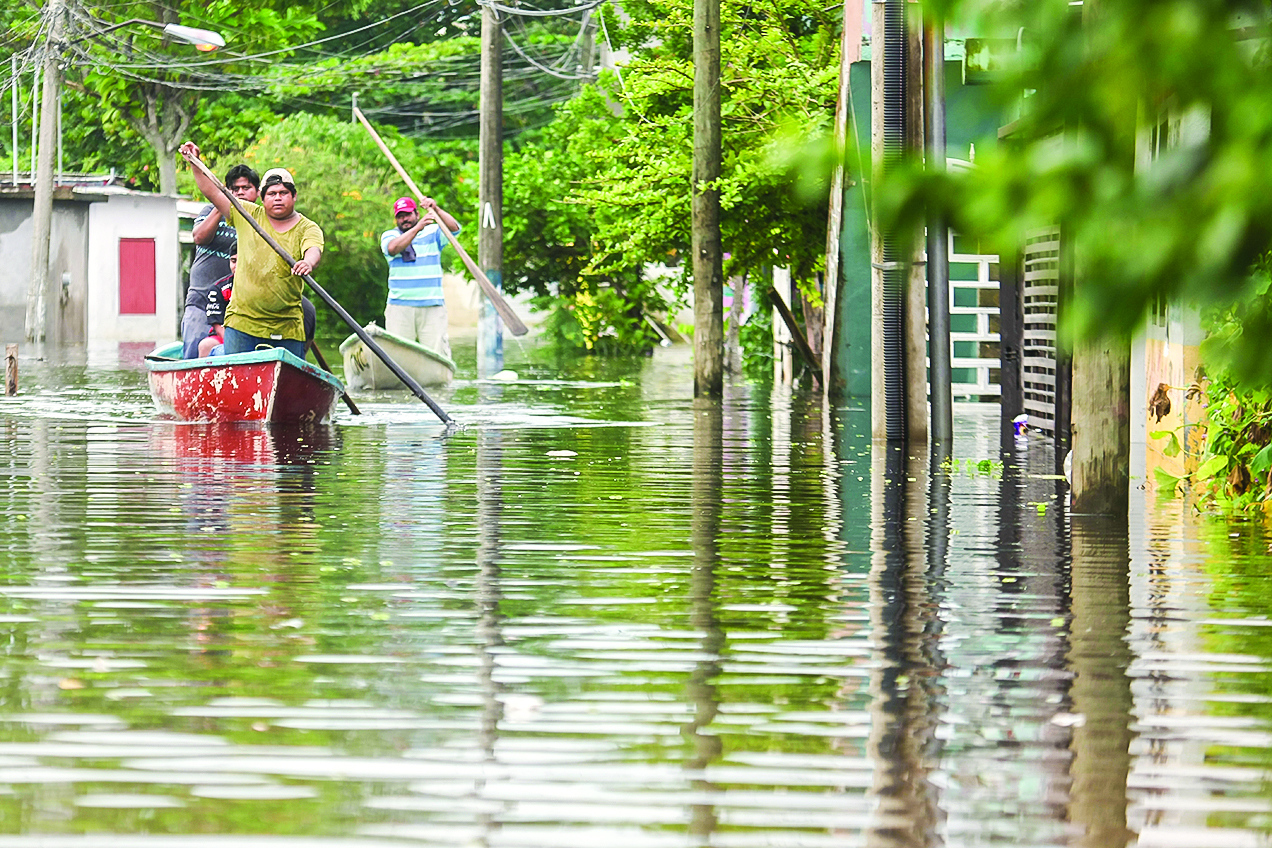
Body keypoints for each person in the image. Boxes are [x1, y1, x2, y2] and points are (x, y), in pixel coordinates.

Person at [179, 141, 323, 360]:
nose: (277, 197)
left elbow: (313, 249)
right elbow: (211, 191)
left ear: (294, 197)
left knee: (288, 376)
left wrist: (307, 263)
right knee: (233, 372)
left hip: (286, 324)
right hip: (242, 322)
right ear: (262, 198)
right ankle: (216, 354)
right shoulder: (247, 214)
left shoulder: (307, 227)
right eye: (272, 193)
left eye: (284, 193)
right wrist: (195, 162)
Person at [183, 164, 259, 358]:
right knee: (194, 352)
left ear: (257, 192)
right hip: (202, 298)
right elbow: (199, 237)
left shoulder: (261, 219)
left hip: (243, 305)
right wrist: (221, 205)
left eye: (246, 188)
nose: (240, 193)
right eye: (235, 189)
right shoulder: (210, 209)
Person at [381, 195, 461, 359]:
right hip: (400, 307)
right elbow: (393, 249)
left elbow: (454, 229)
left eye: (408, 214)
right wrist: (418, 228)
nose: (405, 219)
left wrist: (436, 209)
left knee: (437, 354)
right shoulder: (390, 236)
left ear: (417, 214)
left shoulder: (433, 233)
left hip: (432, 305)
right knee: (398, 356)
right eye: (400, 216)